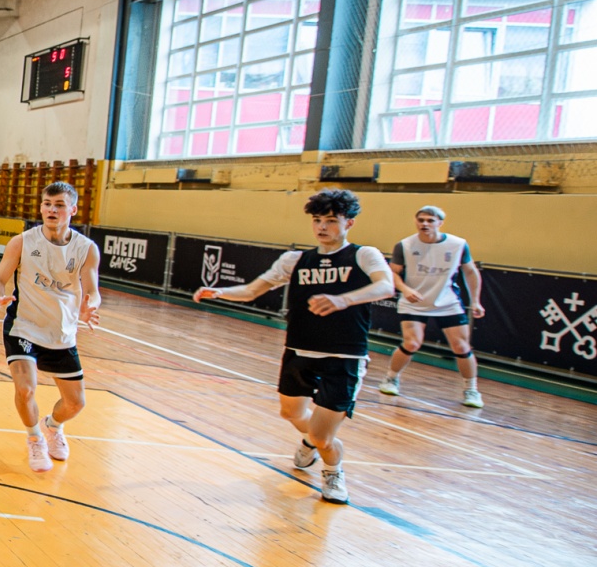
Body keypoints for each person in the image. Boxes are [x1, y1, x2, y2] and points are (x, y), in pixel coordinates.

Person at [194, 188, 394, 504]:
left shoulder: (363, 255)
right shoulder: (295, 260)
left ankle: (332, 471)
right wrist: (219, 292)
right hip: (299, 351)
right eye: (317, 220)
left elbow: (385, 285)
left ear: (349, 223)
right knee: (290, 412)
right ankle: (310, 439)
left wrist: (343, 300)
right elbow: (252, 290)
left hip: (343, 356)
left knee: (322, 437)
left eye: (331, 220)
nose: (322, 226)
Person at [0, 182, 101, 471]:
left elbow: (93, 290)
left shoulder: (86, 249)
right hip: (24, 326)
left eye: (59, 205)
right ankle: (35, 438)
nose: (52, 210)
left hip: (61, 332)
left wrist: (91, 305)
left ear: (72, 210)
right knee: (25, 389)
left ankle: (53, 426)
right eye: (47, 204)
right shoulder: (22, 242)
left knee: (75, 403)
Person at [382, 204, 486, 408]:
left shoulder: (458, 244)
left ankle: (471, 390)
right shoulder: (404, 245)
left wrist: (475, 300)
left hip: (447, 302)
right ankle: (391, 378)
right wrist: (405, 289)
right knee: (412, 343)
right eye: (421, 220)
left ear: (440, 223)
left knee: (462, 347)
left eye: (430, 220)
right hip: (414, 302)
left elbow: (470, 272)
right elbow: (392, 272)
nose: (425, 224)